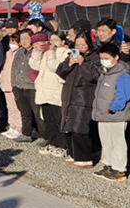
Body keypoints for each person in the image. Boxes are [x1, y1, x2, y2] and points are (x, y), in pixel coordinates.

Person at [55, 31, 101, 168]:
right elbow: (60, 72)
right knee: (68, 127)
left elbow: (93, 76)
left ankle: (84, 157)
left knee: (80, 128)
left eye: (83, 45)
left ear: (89, 44)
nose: (80, 47)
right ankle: (74, 153)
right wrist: (69, 64)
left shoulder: (95, 57)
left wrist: (82, 63)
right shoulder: (71, 55)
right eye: (77, 45)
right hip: (69, 95)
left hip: (84, 96)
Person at [92, 43, 130, 181]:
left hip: (115, 115)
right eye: (102, 58)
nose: (104, 61)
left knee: (117, 143)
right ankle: (108, 165)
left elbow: (124, 95)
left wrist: (113, 107)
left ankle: (119, 169)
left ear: (116, 57)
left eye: (107, 58)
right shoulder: (105, 72)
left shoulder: (123, 74)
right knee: (106, 142)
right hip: (103, 115)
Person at [30, 31, 70, 157]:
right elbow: (34, 65)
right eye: (51, 40)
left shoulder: (66, 53)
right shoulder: (47, 53)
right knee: (49, 120)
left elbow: (55, 67)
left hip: (57, 91)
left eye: (56, 40)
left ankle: (63, 145)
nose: (52, 42)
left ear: (63, 42)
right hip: (44, 90)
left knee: (60, 121)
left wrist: (51, 52)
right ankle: (52, 143)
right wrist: (37, 51)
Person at [10, 29, 43, 143]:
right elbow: (14, 69)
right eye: (21, 39)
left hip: (32, 86)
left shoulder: (37, 52)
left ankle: (43, 136)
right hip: (19, 86)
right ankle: (26, 133)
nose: (23, 41)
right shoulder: (19, 52)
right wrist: (14, 84)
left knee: (37, 113)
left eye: (26, 38)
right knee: (24, 112)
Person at [0, 32, 23, 139]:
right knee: (9, 107)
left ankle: (19, 127)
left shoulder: (20, 53)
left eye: (14, 42)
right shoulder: (8, 53)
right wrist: (1, 78)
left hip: (14, 83)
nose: (12, 44)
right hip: (6, 83)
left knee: (17, 107)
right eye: (10, 42)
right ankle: (12, 126)